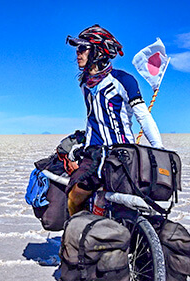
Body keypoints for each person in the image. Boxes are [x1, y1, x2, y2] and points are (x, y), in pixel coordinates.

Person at [65, 24, 164, 215]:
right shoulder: (85, 85)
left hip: (121, 154)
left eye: (83, 48)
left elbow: (143, 116)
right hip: (94, 154)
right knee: (74, 197)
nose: (78, 53)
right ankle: (76, 235)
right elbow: (93, 119)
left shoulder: (123, 80)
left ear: (99, 51)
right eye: (77, 49)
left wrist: (158, 150)